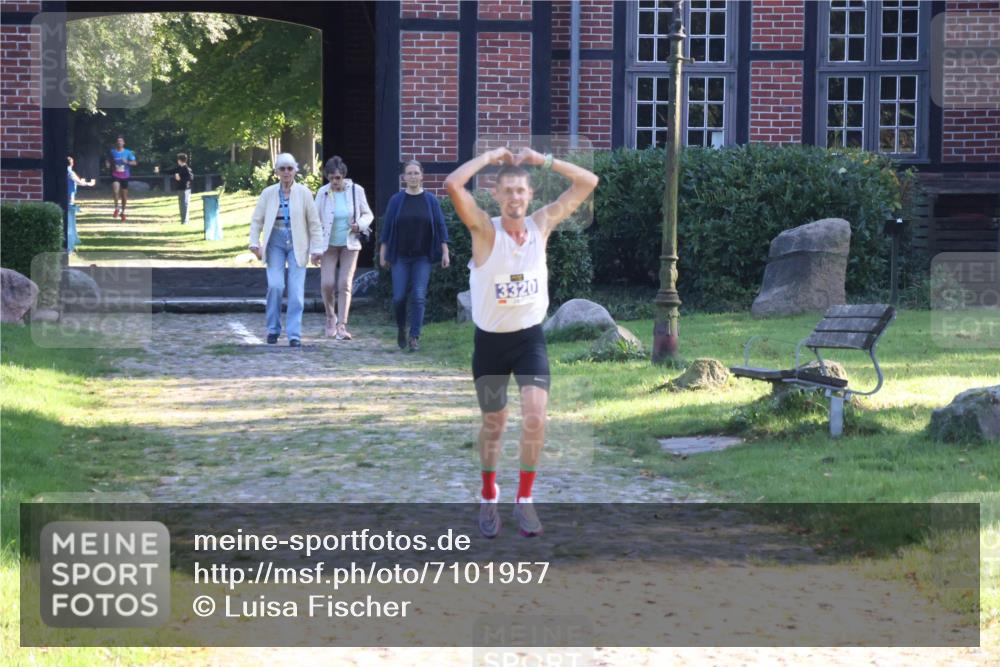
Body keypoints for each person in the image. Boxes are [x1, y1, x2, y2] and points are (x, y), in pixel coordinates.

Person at [444, 146, 598, 539]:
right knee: (494, 423)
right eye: (507, 191)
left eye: (521, 191)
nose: (514, 197)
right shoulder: (483, 229)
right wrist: (490, 157)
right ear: (496, 195)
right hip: (491, 344)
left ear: (530, 196)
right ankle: (488, 492)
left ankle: (525, 499)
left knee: (535, 416)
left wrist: (542, 161)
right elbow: (451, 184)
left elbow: (588, 182)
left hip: (530, 339)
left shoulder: (540, 225)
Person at [248, 153, 325, 347]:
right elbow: (257, 220)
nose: (286, 172)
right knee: (276, 285)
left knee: (297, 292)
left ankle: (294, 334)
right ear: (276, 172)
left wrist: (317, 249)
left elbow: (314, 224)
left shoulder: (305, 193)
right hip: (275, 240)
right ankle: (273, 329)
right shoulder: (268, 193)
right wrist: (254, 243)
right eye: (282, 169)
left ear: (295, 171)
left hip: (298, 242)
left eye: (290, 168)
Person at [379, 160, 450, 352]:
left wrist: (445, 251)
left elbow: (441, 226)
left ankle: (414, 336)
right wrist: (382, 252)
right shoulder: (396, 200)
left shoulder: (431, 201)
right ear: (403, 177)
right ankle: (402, 327)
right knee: (399, 297)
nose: (412, 177)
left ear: (421, 176)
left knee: (418, 296)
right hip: (400, 256)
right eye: (409, 173)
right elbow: (386, 228)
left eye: (415, 173)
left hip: (422, 257)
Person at [314, 156, 374, 340]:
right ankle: (330, 317)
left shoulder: (356, 190)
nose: (334, 182)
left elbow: (368, 214)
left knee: (344, 284)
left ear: (343, 176)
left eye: (337, 178)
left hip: (350, 243)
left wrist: (360, 225)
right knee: (327, 284)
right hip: (328, 245)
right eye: (331, 178)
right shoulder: (322, 193)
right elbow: (315, 221)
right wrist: (314, 250)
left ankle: (342, 325)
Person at [105, 135, 136, 221]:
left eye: (121, 141)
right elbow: (108, 160)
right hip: (115, 175)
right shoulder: (112, 152)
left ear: (124, 143)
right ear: (116, 143)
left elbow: (135, 163)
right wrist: (107, 164)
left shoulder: (128, 152)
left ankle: (123, 212)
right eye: (118, 141)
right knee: (115, 191)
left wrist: (127, 162)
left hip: (125, 175)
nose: (119, 142)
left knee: (124, 196)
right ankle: (116, 208)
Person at [166, 153, 194, 224]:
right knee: (181, 205)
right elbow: (170, 171)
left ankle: (185, 221)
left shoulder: (187, 169)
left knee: (185, 205)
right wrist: (160, 171)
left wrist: (180, 179)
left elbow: (191, 178)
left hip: (185, 189)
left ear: (179, 160)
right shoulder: (179, 168)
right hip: (180, 188)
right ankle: (183, 220)